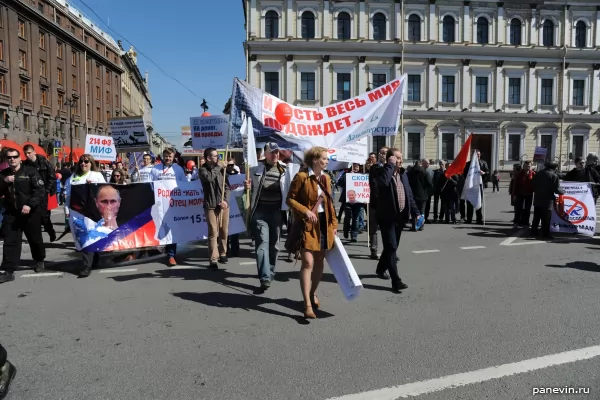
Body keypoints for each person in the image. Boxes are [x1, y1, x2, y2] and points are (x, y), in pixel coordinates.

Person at [286, 146, 337, 319]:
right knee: (307, 262)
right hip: (307, 223)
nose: (327, 161)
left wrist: (334, 224)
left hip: (323, 223)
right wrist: (305, 211)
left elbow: (330, 203)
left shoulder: (326, 178)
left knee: (319, 260)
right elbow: (290, 199)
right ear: (315, 160)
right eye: (324, 158)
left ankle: (313, 292)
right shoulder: (301, 177)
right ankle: (307, 303)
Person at [244, 142, 291, 290]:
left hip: (277, 212)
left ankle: (270, 271)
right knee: (262, 244)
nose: (275, 155)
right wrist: (246, 186)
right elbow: (242, 187)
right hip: (260, 211)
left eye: (277, 152)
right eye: (272, 152)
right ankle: (264, 277)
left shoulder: (285, 169)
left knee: (274, 245)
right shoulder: (255, 168)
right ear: (266, 153)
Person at [373, 148, 420, 292]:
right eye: (397, 158)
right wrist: (389, 166)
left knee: (391, 248)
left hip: (400, 218)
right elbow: (382, 183)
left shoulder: (403, 175)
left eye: (401, 158)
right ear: (390, 159)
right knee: (392, 247)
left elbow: (409, 194)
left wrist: (416, 212)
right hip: (387, 217)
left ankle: (381, 268)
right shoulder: (381, 172)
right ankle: (396, 281)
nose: (400, 161)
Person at [0, 148, 46, 282]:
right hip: (11, 213)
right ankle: (8, 270)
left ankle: (39, 259)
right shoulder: (3, 174)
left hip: (29, 213)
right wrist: (5, 181)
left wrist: (29, 204)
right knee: (10, 241)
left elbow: (39, 190)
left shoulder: (30, 172)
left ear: (20, 158)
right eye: (9, 157)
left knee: (35, 239)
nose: (12, 159)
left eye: (15, 157)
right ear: (7, 160)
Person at [65, 154, 106, 277]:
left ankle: (87, 265)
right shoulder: (72, 178)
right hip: (77, 213)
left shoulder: (96, 175)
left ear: (91, 163)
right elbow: (67, 196)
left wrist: (94, 186)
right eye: (81, 161)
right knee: (83, 238)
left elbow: (105, 191)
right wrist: (66, 211)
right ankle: (92, 261)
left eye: (86, 161)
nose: (83, 163)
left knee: (90, 237)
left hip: (92, 213)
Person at [149, 148, 186, 266]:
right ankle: (163, 250)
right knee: (159, 228)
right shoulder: (155, 169)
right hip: (159, 205)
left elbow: (184, 185)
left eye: (170, 156)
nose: (168, 158)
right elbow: (149, 185)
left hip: (173, 204)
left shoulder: (178, 169)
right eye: (166, 156)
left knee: (171, 229)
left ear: (173, 157)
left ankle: (171, 255)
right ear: (162, 156)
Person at [199, 147, 231, 270]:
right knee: (213, 231)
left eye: (218, 155)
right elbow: (209, 178)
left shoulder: (222, 170)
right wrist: (219, 167)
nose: (218, 158)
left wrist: (226, 201)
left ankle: (223, 253)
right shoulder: (203, 170)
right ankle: (213, 258)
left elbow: (227, 187)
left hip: (223, 205)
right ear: (208, 158)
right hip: (211, 206)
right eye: (215, 156)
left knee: (224, 230)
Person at [23, 144, 57, 242]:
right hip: (32, 193)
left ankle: (50, 231)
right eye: (26, 153)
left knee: (45, 217)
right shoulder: (26, 164)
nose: (27, 155)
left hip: (44, 193)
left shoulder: (44, 162)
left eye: (29, 153)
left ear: (34, 152)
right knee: (33, 216)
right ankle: (37, 239)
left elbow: (51, 177)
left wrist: (46, 190)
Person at [531, 162, 563, 238]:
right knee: (546, 218)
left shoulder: (538, 173)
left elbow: (532, 184)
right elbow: (556, 189)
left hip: (537, 198)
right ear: (554, 168)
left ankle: (533, 231)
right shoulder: (554, 176)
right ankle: (545, 234)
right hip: (548, 200)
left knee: (536, 217)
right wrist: (563, 192)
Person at [406, 158, 430, 231]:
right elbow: (429, 183)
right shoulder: (424, 171)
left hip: (413, 194)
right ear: (420, 163)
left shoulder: (410, 171)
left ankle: (414, 226)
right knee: (422, 211)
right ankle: (421, 226)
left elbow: (407, 182)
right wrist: (424, 188)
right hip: (423, 195)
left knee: (414, 211)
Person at [463, 149, 485, 224]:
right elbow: (464, 174)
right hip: (470, 185)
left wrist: (484, 173)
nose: (477, 156)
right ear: (472, 155)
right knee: (469, 203)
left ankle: (479, 219)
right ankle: (469, 219)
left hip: (479, 186)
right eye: (476, 155)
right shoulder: (468, 164)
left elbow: (487, 172)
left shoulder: (483, 163)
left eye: (478, 155)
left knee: (479, 202)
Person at [513, 161, 535, 228]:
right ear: (523, 166)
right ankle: (516, 222)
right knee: (518, 209)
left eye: (528, 166)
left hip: (529, 194)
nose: (527, 167)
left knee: (527, 209)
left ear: (531, 166)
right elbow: (515, 185)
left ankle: (525, 223)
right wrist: (514, 195)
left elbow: (536, 183)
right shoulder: (519, 174)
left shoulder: (533, 174)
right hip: (520, 193)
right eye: (526, 166)